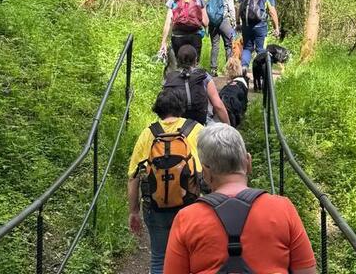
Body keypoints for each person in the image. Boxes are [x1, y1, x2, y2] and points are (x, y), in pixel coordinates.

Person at [163, 124, 316, 274]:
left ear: (206, 172)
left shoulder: (186, 219)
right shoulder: (283, 209)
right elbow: (307, 271)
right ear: (248, 162)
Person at [128, 89, 205, 274]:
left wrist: (134, 211)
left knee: (159, 258)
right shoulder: (196, 130)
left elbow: (133, 176)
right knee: (191, 257)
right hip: (190, 205)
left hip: (156, 206)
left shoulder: (148, 133)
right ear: (181, 107)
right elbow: (211, 168)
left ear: (158, 109)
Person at [163, 45, 230, 125]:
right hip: (201, 123)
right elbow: (218, 106)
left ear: (178, 60)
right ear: (195, 60)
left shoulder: (170, 78)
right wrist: (229, 126)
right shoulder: (203, 76)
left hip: (177, 124)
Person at [237, 0, 281, 77]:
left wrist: (238, 21)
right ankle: (261, 75)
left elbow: (238, 7)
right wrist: (277, 27)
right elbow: (272, 12)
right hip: (260, 26)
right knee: (261, 50)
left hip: (246, 25)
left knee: (247, 48)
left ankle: (244, 67)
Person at [160, 0, 208, 69]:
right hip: (195, 36)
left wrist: (164, 42)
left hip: (178, 36)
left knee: (179, 66)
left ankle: (180, 82)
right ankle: (193, 81)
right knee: (194, 66)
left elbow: (168, 21)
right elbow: (206, 22)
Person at [206, 0, 237, 76]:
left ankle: (213, 69)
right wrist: (234, 23)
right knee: (228, 45)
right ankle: (228, 70)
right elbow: (231, 9)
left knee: (215, 45)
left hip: (213, 23)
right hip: (224, 22)